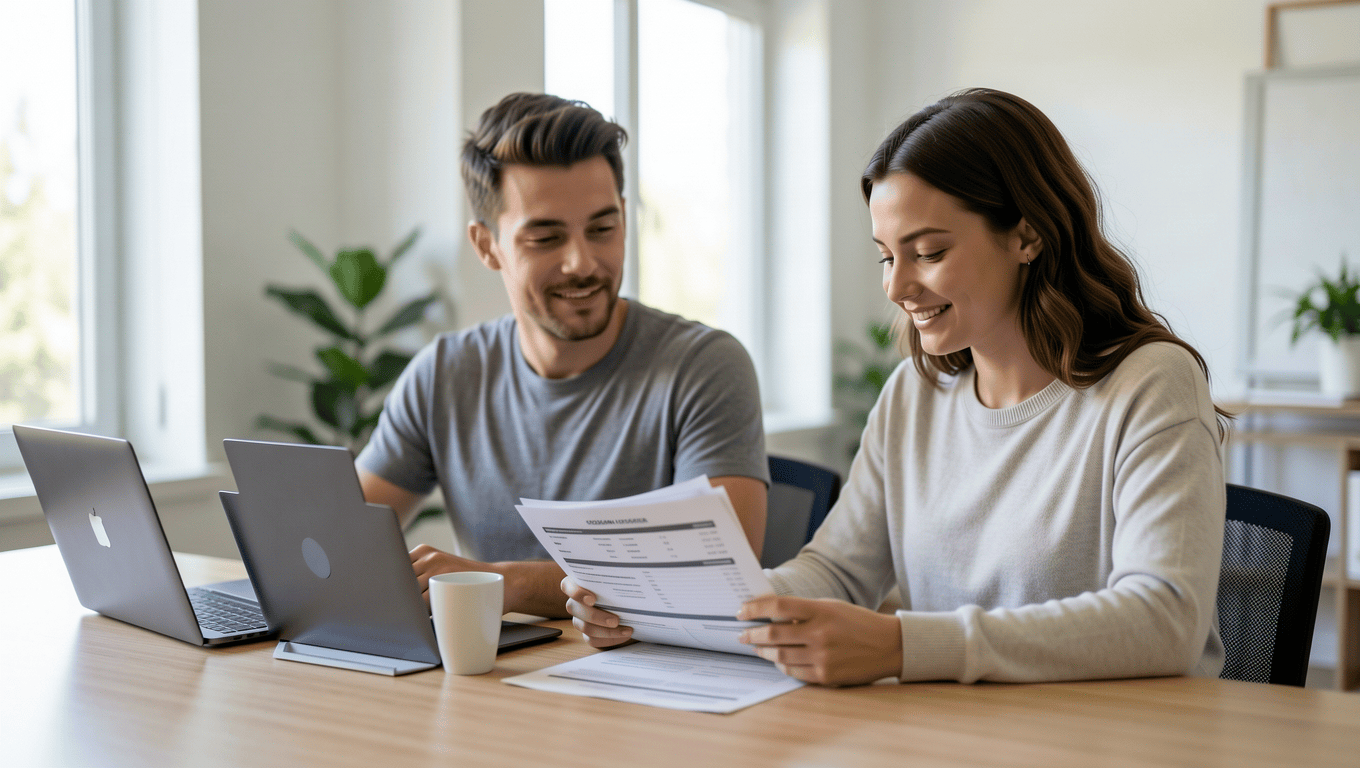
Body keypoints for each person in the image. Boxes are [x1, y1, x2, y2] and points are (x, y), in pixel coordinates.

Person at [566, 88, 1228, 686]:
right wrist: (671, 610)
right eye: (888, 255)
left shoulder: (1150, 384)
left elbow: (1163, 618)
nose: (896, 286)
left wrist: (904, 646)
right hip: (957, 738)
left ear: (1027, 234)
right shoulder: (914, 394)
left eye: (929, 253)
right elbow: (838, 573)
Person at [358, 93, 769, 618]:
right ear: (487, 246)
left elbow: (712, 574)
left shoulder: (703, 366)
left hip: (651, 682)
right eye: (546, 237)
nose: (582, 263)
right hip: (495, 676)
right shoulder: (445, 374)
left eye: (603, 228)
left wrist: (498, 584)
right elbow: (343, 538)